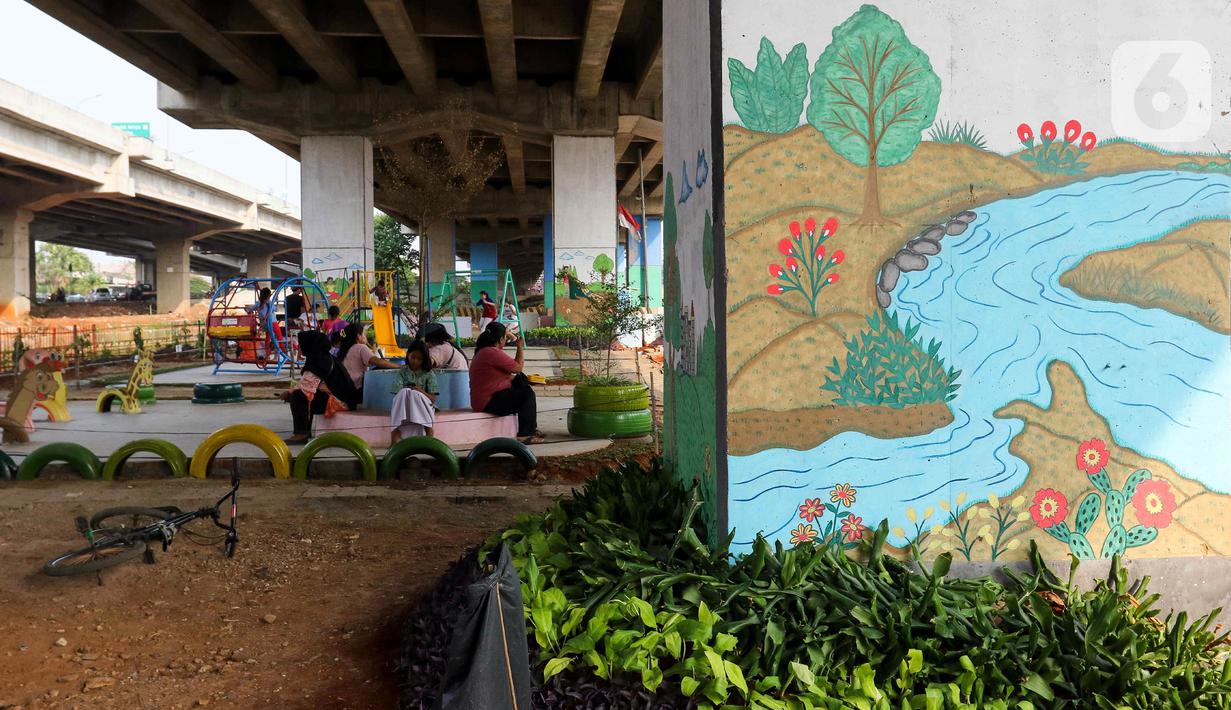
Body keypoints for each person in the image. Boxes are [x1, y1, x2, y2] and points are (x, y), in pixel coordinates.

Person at [470, 322, 543, 444]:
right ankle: (525, 435)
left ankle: (531, 429)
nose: (505, 341)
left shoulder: (484, 352)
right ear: (500, 339)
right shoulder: (491, 352)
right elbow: (518, 367)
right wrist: (519, 346)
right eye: (505, 337)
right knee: (526, 395)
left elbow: (508, 373)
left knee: (521, 383)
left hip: (484, 399)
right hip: (487, 401)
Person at [285, 330, 357, 444]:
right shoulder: (324, 357)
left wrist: (289, 393)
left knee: (298, 395)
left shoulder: (319, 361)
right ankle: (304, 430)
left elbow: (306, 388)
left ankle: (301, 433)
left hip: (341, 403)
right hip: (345, 400)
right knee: (304, 394)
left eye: (301, 345)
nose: (299, 348)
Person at [389, 340, 438, 443]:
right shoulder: (402, 372)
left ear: (424, 360)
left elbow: (433, 399)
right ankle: (395, 433)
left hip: (423, 406)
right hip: (405, 405)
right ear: (408, 355)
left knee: (415, 394)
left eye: (419, 359)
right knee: (405, 392)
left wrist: (420, 391)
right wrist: (407, 391)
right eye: (413, 357)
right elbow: (396, 394)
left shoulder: (429, 374)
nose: (415, 361)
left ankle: (428, 429)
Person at [337, 322, 400, 393]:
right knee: (381, 368)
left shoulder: (345, 349)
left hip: (344, 388)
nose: (365, 336)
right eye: (364, 334)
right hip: (356, 389)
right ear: (358, 336)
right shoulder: (360, 347)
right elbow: (376, 361)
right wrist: (399, 366)